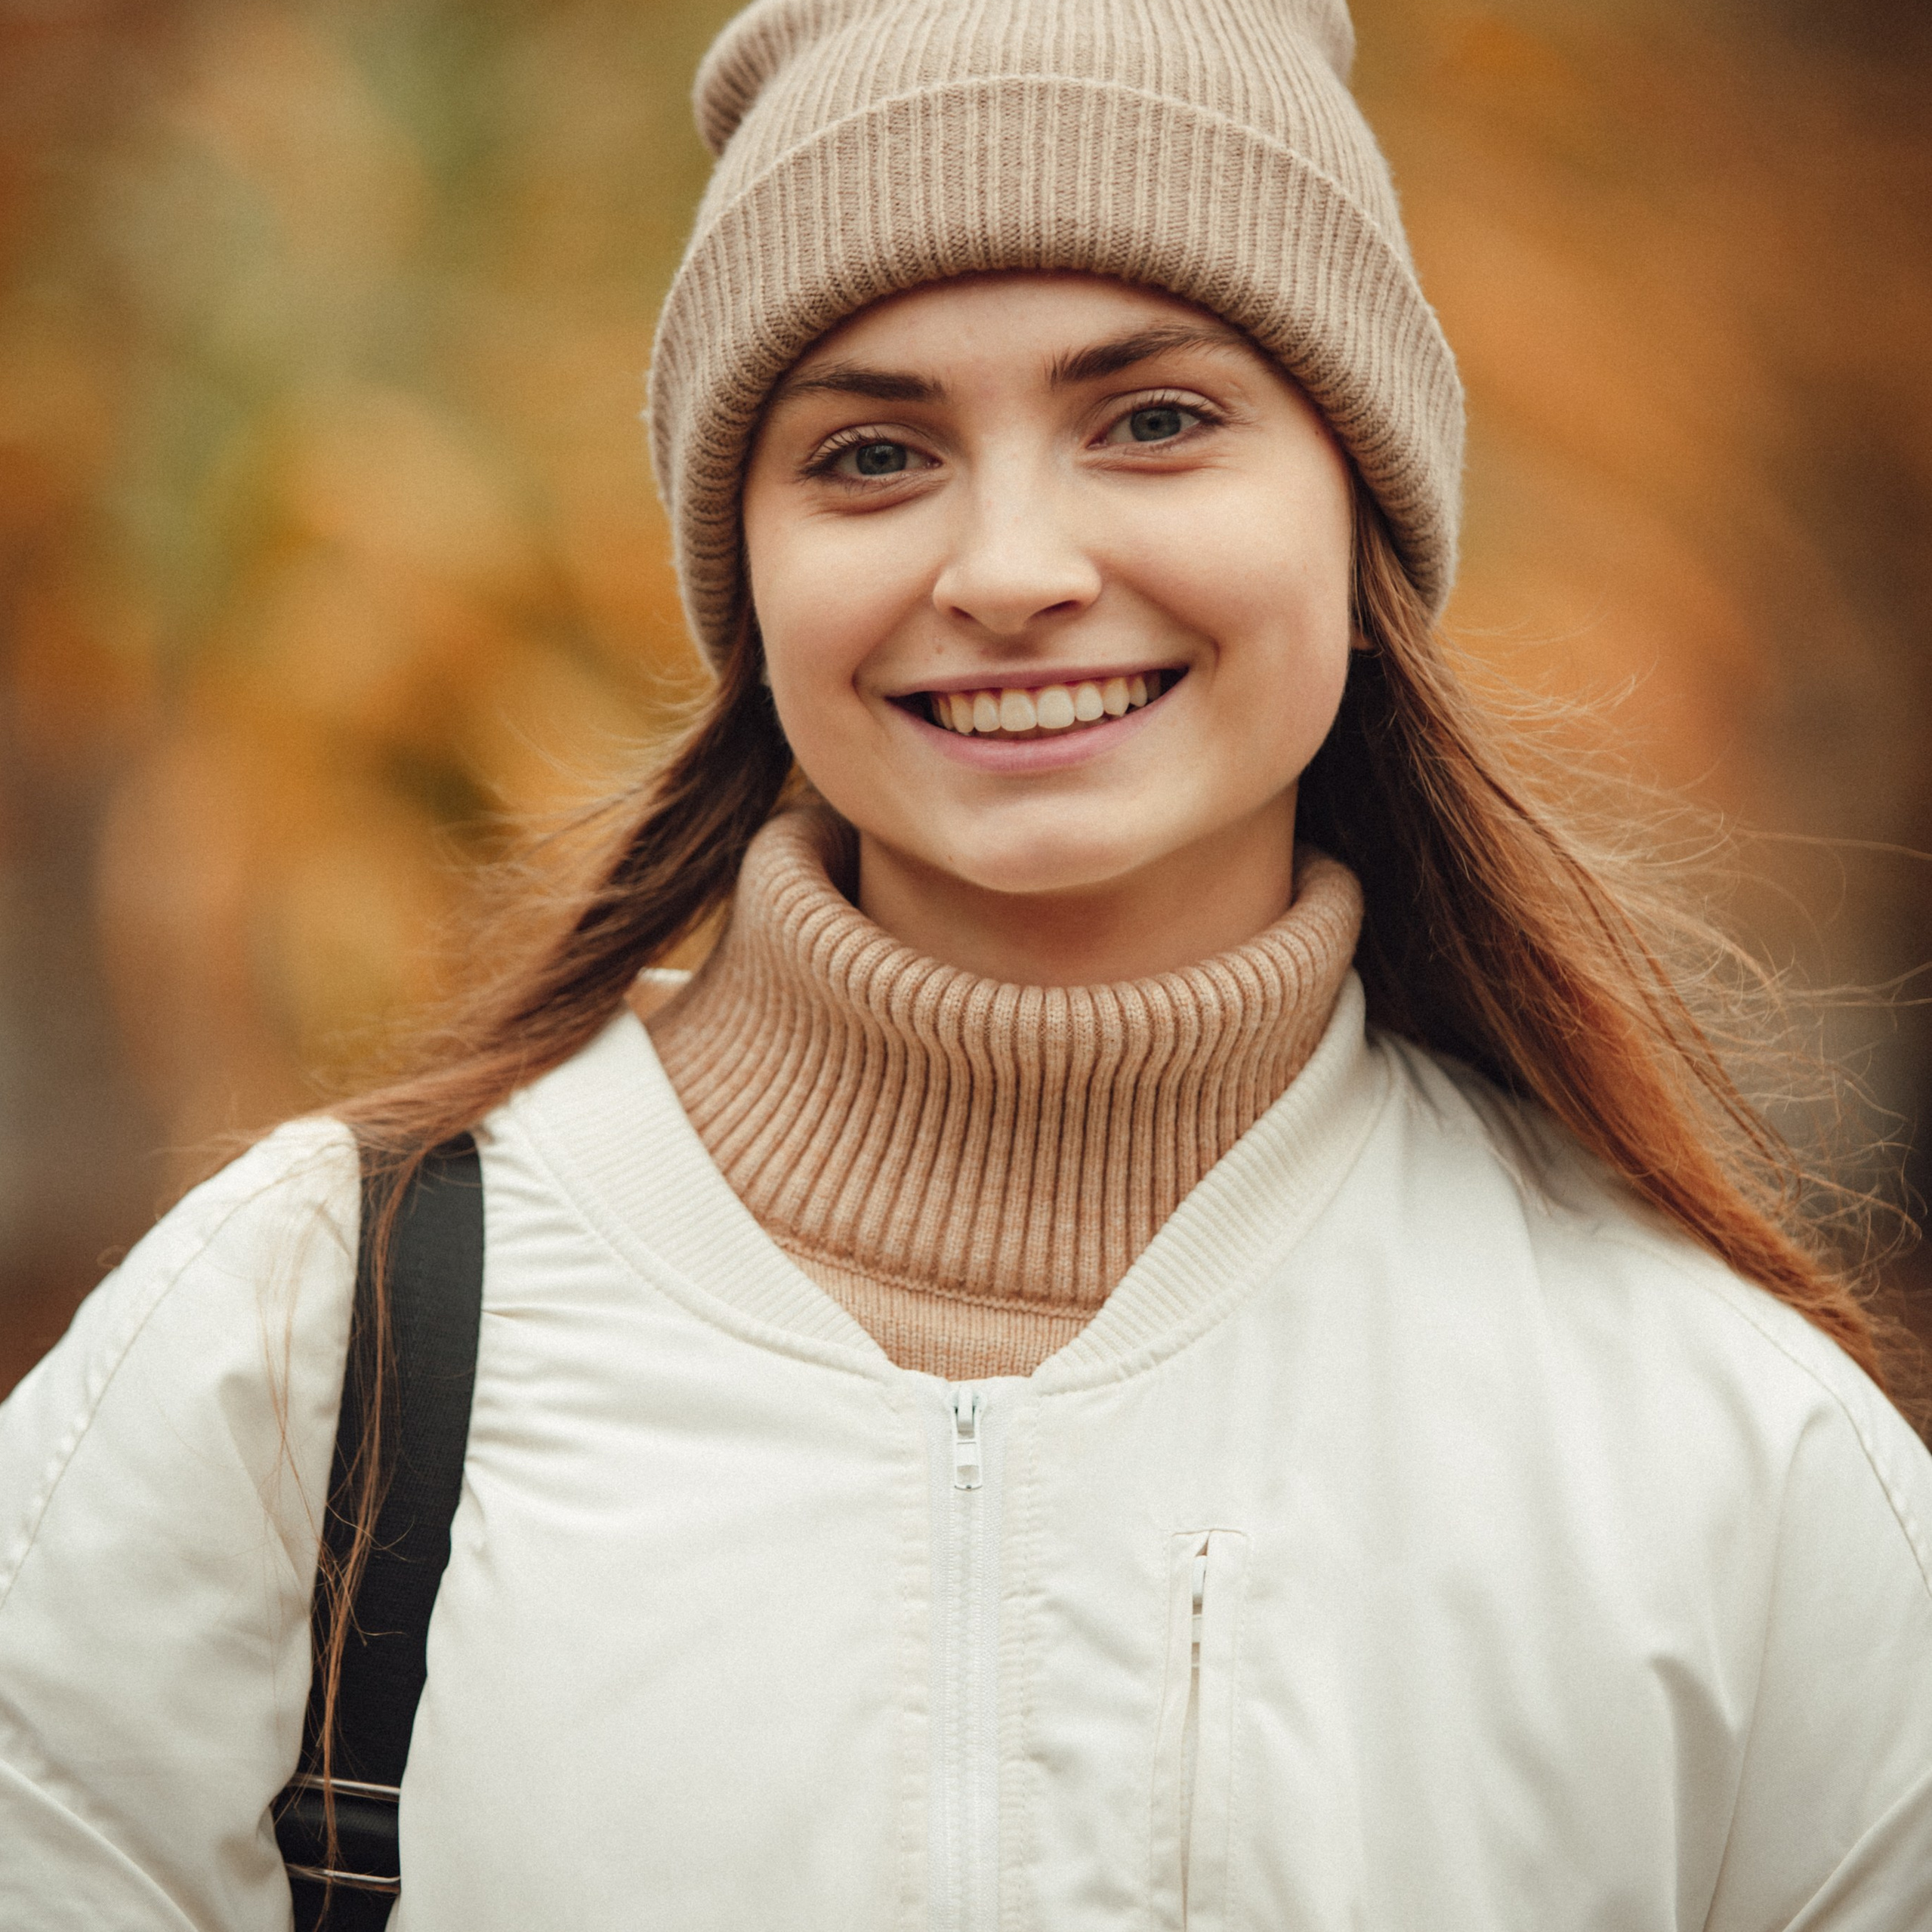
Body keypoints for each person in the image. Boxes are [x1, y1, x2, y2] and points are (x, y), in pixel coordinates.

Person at [3, 0, 1930, 1925]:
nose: (1009, 567)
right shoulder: (310, 1348)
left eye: (1154, 419)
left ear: (1359, 517)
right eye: (867, 452)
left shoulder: (1710, 1449)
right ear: (742, 578)